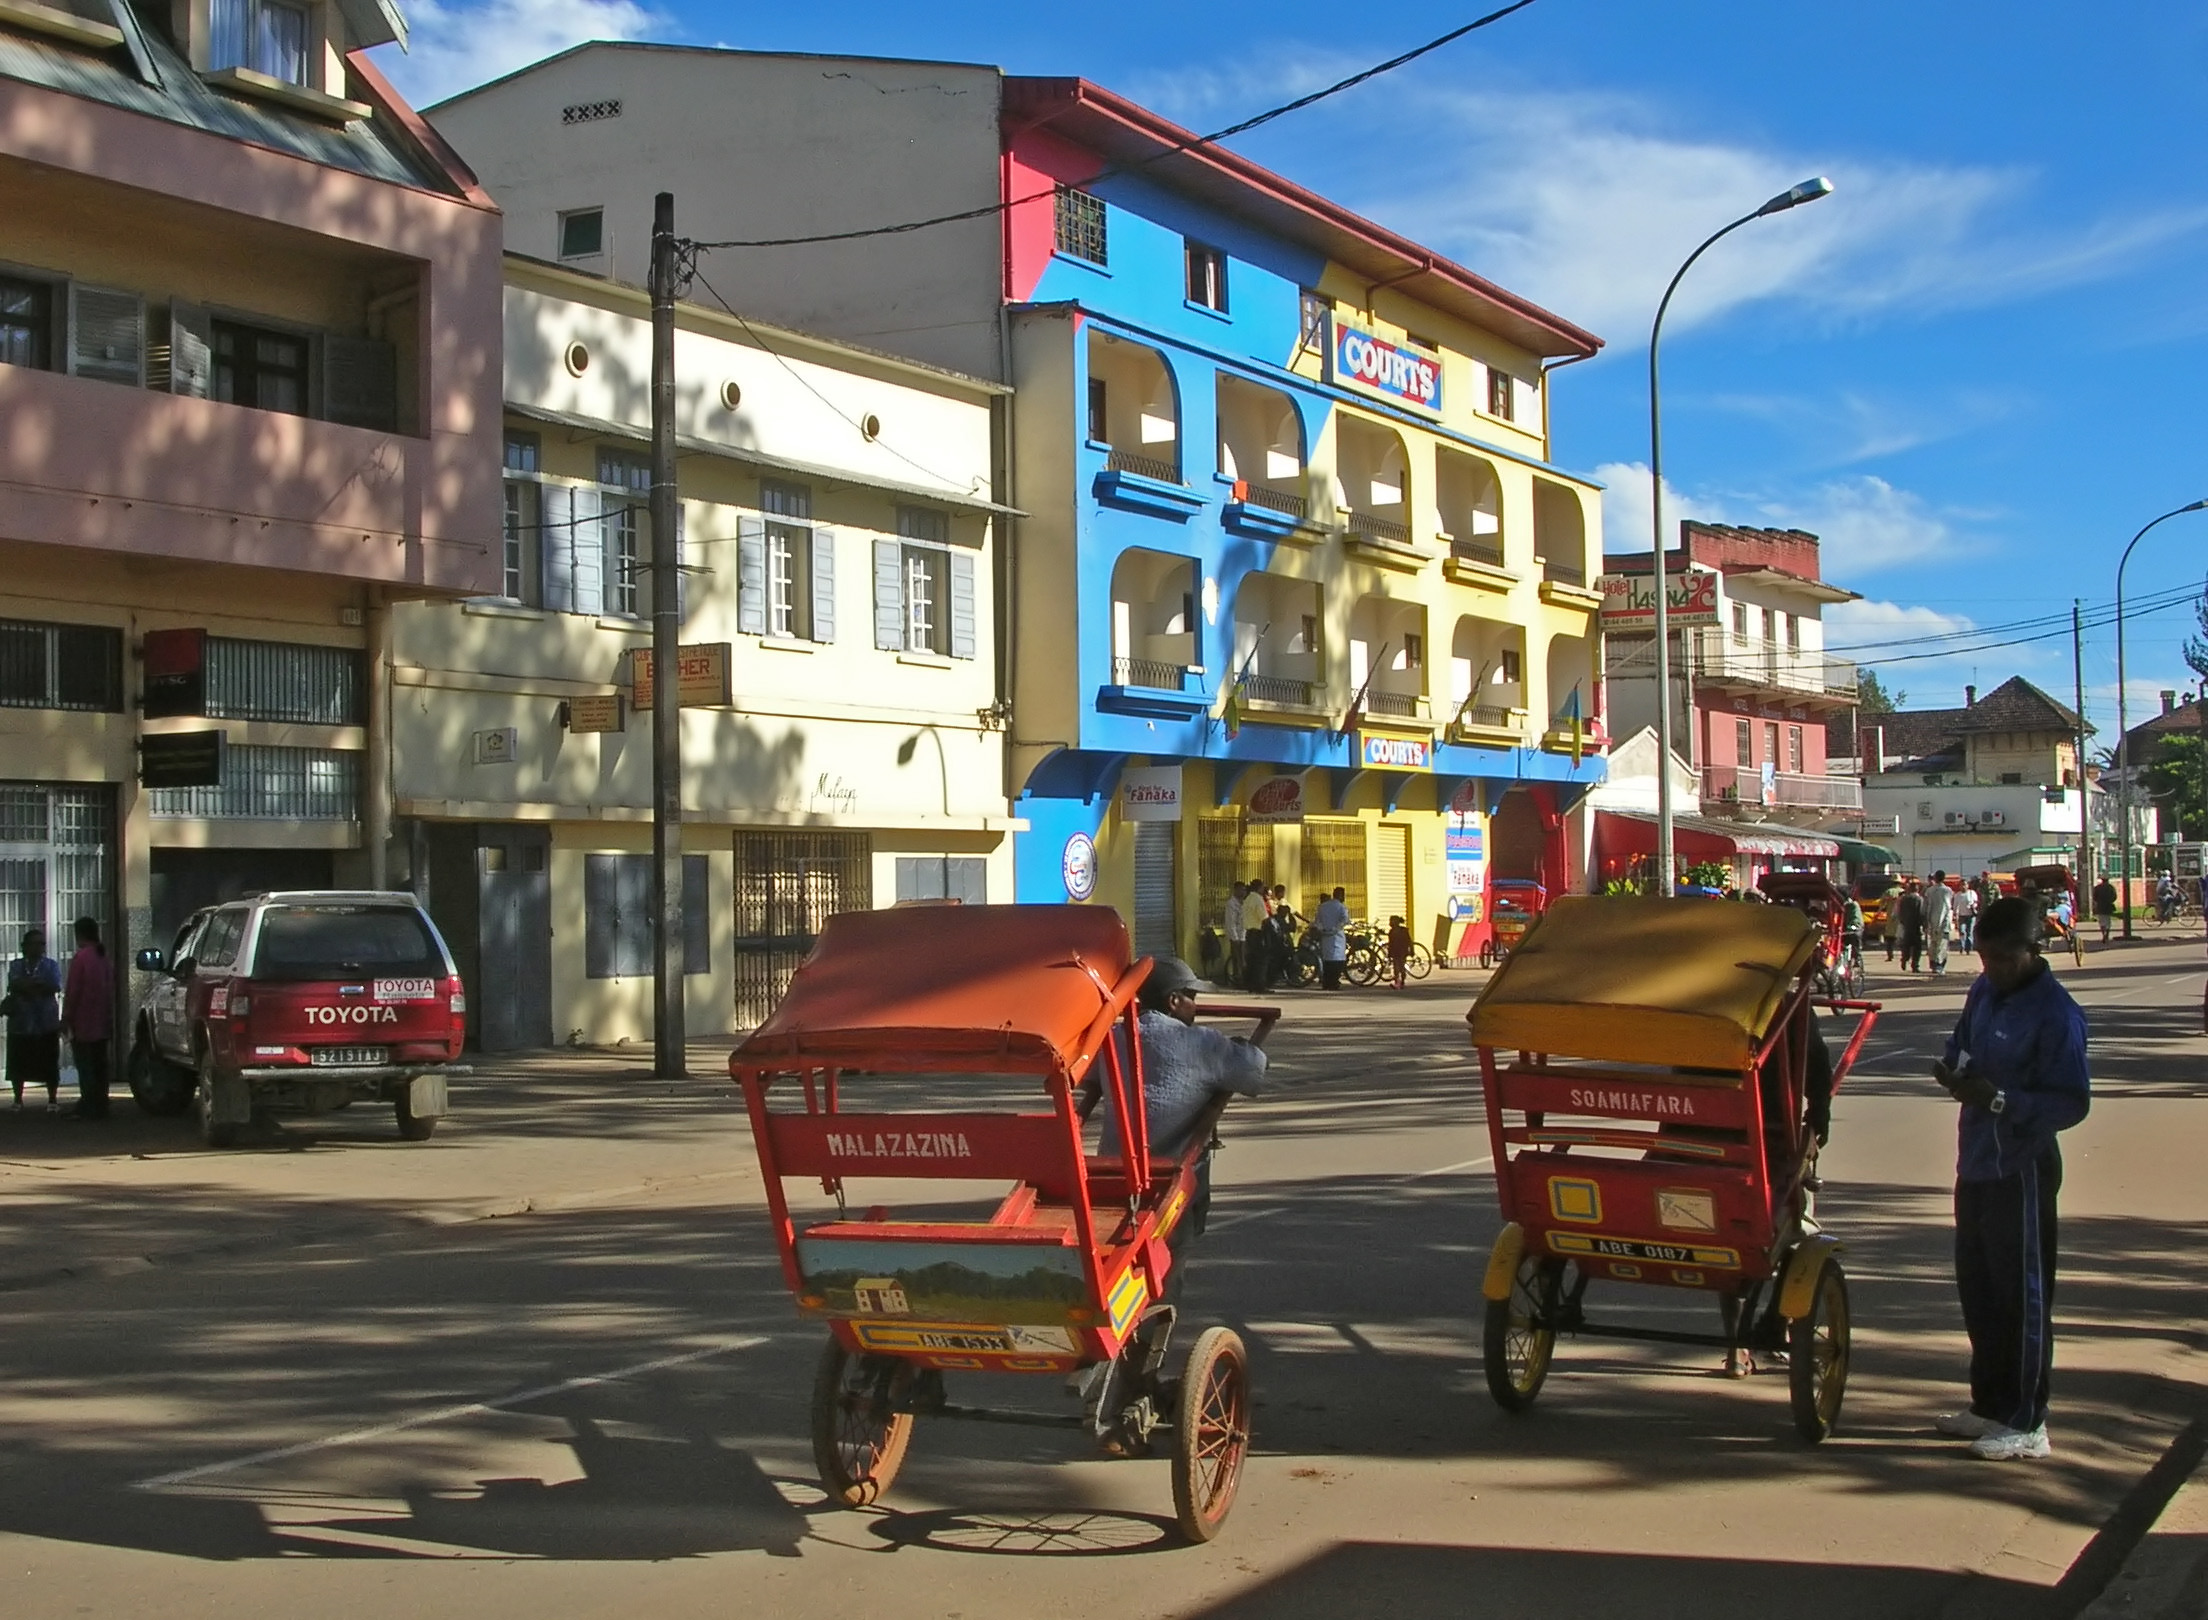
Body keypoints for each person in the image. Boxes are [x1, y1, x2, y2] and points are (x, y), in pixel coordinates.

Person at [1931, 896, 2089, 1461]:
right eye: (1983, 958)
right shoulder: (1983, 992)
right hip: (1975, 1159)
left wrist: (2001, 1101)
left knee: (2021, 1296)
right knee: (1979, 1288)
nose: (1990, 969)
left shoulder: (2056, 1013)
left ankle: (2027, 1419)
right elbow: (1962, 1043)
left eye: (2001, 959)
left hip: (2020, 1167)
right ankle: (1990, 1403)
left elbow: (2071, 1102)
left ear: (2032, 951)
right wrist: (1955, 1072)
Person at [1088, 957, 1274, 1243]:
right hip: (1171, 1180)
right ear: (1173, 1001)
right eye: (1192, 997)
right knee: (1173, 1259)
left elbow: (1088, 1075)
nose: (1195, 1005)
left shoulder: (1112, 1038)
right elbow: (1252, 1072)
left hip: (1114, 1173)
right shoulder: (1201, 1042)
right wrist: (1241, 1048)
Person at [60, 916, 113, 1119]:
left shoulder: (81, 958)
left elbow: (73, 991)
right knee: (100, 1065)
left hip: (83, 1021)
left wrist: (66, 1017)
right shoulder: (103, 957)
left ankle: (88, 1105)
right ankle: (101, 1103)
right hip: (102, 1019)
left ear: (79, 934)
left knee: (86, 1065)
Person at [7, 927, 63, 1113]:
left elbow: (54, 985)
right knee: (18, 1061)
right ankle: (17, 1099)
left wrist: (30, 986)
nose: (39, 948)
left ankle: (53, 1099)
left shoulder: (51, 965)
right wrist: (36, 985)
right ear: (25, 946)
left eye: (42, 944)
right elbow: (15, 983)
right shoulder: (16, 965)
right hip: (21, 1023)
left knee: (48, 1061)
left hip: (45, 1022)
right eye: (35, 944)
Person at [1312, 886, 1351, 991]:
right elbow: (1345, 920)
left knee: (1327, 960)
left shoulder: (1322, 906)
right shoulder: (1342, 907)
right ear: (1340, 895)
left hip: (1325, 937)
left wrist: (1323, 929)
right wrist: (1335, 928)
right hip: (1337, 936)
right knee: (1337, 961)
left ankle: (1326, 983)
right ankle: (1334, 983)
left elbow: (1317, 921)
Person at [1237, 878, 1270, 992]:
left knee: (1251, 960)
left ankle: (1250, 984)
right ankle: (1260, 985)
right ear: (1259, 887)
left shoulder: (1248, 899)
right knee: (1261, 960)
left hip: (1249, 933)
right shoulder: (1257, 899)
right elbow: (1264, 918)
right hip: (1258, 932)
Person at [1924, 871, 1956, 977]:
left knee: (1933, 943)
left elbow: (1926, 908)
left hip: (1932, 921)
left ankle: (1934, 963)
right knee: (1942, 945)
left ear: (1935, 878)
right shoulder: (1947, 891)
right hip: (1943, 923)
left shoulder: (1929, 891)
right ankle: (1939, 965)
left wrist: (1926, 921)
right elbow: (1946, 907)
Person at [1896, 881, 1927, 974]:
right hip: (1916, 926)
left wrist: (1902, 921)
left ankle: (1904, 958)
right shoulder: (1919, 899)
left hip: (1907, 925)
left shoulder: (1904, 899)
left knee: (1906, 945)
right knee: (1917, 947)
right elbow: (1921, 913)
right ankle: (1915, 965)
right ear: (1917, 889)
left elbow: (1900, 912)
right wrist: (1923, 924)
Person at [1222, 881, 1248, 987]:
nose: (1243, 892)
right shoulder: (1231, 904)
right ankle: (1238, 980)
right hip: (1236, 936)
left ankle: (1243, 979)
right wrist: (1235, 938)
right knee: (1237, 959)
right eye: (1241, 890)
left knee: (1243, 959)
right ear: (1236, 890)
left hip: (1243, 935)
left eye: (1244, 890)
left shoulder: (1243, 903)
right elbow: (1230, 922)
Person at [1386, 914, 1412, 989]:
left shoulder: (1402, 931)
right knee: (1397, 968)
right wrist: (1389, 953)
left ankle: (1401, 982)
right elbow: (1390, 943)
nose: (1390, 923)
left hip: (1400, 951)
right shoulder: (1392, 932)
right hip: (1397, 951)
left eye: (1391, 921)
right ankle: (1398, 982)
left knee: (1400, 967)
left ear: (1397, 922)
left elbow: (1409, 941)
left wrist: (1411, 949)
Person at [1956, 878, 1982, 952]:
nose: (1963, 886)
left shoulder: (1972, 893)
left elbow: (1976, 902)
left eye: (1964, 884)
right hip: (1961, 916)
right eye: (1961, 885)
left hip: (1970, 915)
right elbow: (1955, 905)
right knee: (1962, 931)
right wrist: (1955, 914)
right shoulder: (1957, 895)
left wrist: (1973, 905)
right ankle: (1962, 946)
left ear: (1967, 885)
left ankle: (1969, 948)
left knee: (1969, 932)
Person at [2092, 876, 2118, 943]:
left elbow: (2094, 897)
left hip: (2100, 906)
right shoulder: (2111, 888)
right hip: (2108, 906)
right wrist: (2110, 901)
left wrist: (2098, 902)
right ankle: (2107, 934)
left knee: (2101, 922)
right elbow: (2114, 897)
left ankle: (2103, 934)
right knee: (2108, 921)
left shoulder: (2097, 888)